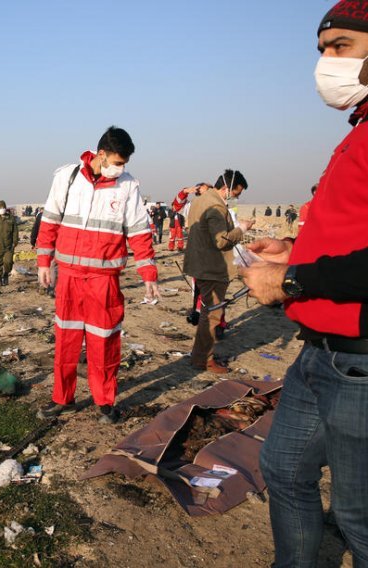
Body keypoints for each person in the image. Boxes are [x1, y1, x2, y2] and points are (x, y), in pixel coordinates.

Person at [240, 6, 368, 565]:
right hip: (319, 354)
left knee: (359, 517)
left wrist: (290, 279)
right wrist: (296, 253)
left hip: (359, 365)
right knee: (283, 469)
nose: (326, 63)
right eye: (322, 49)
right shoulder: (359, 131)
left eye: (340, 46)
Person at [35, 126, 159, 424]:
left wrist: (149, 274)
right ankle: (62, 399)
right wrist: (43, 261)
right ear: (100, 154)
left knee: (105, 342)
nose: (120, 169)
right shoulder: (67, 177)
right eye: (117, 162)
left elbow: (140, 231)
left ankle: (105, 402)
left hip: (104, 281)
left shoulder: (128, 186)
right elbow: (50, 219)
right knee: (66, 341)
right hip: (69, 278)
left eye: (124, 164)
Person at [183, 170, 255, 374]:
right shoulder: (215, 206)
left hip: (201, 264)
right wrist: (242, 229)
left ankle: (200, 357)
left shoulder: (201, 199)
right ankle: (204, 360)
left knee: (208, 313)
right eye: (237, 194)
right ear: (227, 188)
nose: (237, 198)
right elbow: (221, 241)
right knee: (212, 315)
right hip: (212, 267)